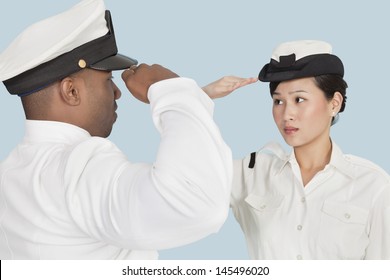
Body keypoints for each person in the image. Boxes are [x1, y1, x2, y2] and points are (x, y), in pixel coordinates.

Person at [0, 0, 233, 259]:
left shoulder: (9, 175)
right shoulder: (78, 169)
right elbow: (198, 203)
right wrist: (171, 90)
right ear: (71, 91)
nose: (117, 91)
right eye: (107, 79)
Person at [203, 40, 390, 259]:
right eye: (278, 101)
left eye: (299, 99)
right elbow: (183, 177)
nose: (287, 114)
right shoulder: (252, 173)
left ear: (334, 103)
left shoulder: (372, 185)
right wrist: (201, 97)